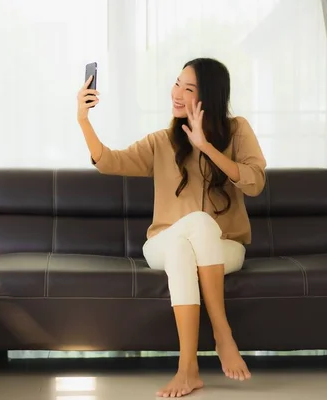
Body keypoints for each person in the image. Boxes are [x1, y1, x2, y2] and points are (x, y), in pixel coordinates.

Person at [76, 57, 266, 398]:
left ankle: (188, 368)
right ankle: (223, 334)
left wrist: (205, 147)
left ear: (209, 96)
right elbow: (108, 161)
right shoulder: (161, 142)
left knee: (192, 237)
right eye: (177, 83)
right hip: (161, 243)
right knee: (188, 231)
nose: (177, 93)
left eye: (188, 88)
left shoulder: (237, 131)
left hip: (225, 247)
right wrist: (83, 119)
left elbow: (254, 183)